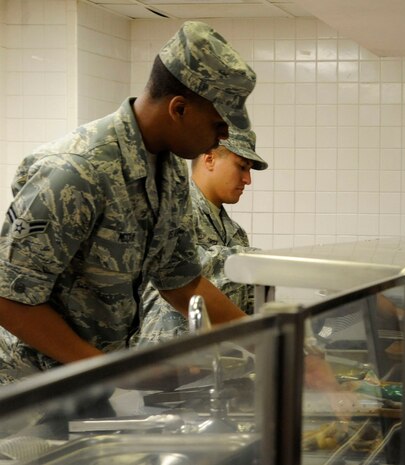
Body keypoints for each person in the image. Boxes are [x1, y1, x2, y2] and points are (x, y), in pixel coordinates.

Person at [0, 21, 256, 385]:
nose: (225, 135)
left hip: (89, 383)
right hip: (28, 392)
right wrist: (116, 372)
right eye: (218, 124)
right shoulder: (77, 170)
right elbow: (9, 297)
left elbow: (181, 281)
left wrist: (267, 340)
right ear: (179, 109)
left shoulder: (168, 172)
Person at [133, 127, 268, 347]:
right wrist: (266, 260)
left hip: (213, 362)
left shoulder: (235, 233)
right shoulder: (172, 211)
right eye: (242, 167)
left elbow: (246, 301)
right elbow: (191, 267)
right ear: (210, 159)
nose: (247, 179)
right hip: (165, 364)